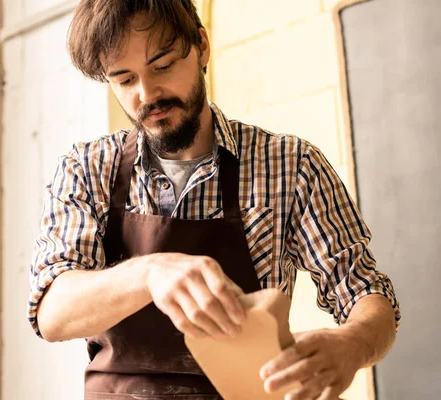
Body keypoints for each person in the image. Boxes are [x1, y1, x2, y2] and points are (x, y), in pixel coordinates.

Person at [28, 1, 401, 399]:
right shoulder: (86, 168)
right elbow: (52, 311)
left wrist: (353, 345)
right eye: (124, 79)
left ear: (201, 46)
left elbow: (365, 293)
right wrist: (150, 273)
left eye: (163, 65)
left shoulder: (291, 165)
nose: (147, 93)